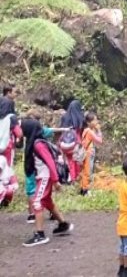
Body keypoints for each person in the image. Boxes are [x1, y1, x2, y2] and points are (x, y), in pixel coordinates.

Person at [21, 119, 73, 247]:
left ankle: (40, 235)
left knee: (37, 202)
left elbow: (50, 162)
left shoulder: (38, 144)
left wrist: (55, 180)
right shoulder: (34, 142)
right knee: (47, 202)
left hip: (46, 177)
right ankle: (63, 224)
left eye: (22, 128)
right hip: (42, 177)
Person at [59, 99, 84, 182]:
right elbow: (81, 131)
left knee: (68, 161)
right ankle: (74, 177)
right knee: (76, 160)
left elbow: (61, 129)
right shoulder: (80, 117)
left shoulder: (64, 117)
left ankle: (69, 176)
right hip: (75, 142)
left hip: (64, 142)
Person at [80, 112, 103, 196]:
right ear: (89, 122)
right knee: (88, 172)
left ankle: (83, 188)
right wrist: (99, 130)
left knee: (85, 171)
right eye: (95, 120)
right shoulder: (89, 131)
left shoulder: (86, 130)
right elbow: (99, 141)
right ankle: (85, 191)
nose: (97, 121)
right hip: (89, 153)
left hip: (86, 152)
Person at [0, 84, 23, 168]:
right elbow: (19, 133)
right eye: (14, 92)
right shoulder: (11, 117)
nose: (16, 95)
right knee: (7, 166)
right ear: (8, 93)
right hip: (7, 144)